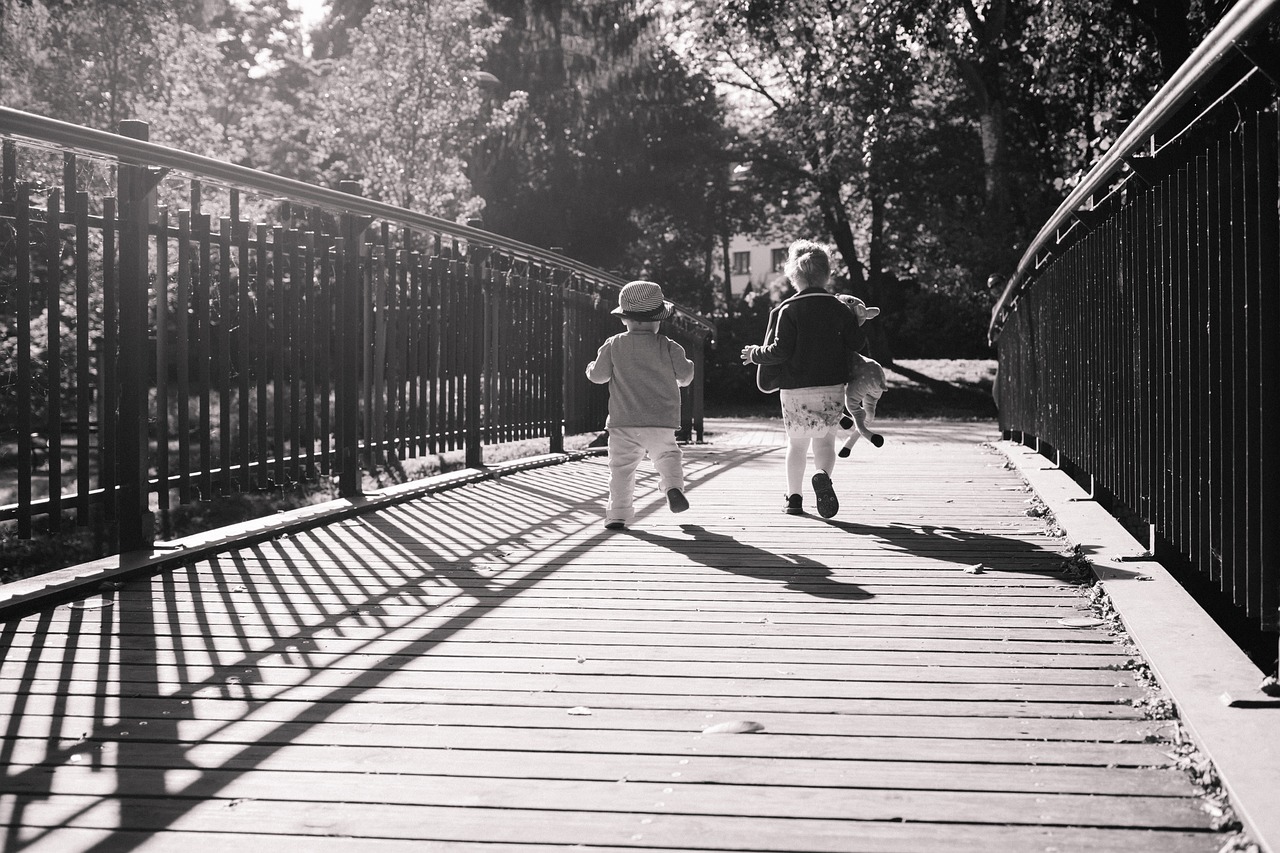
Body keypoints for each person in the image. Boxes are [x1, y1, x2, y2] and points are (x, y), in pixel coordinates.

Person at [740, 241, 864, 518]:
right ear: (827, 274)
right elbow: (858, 343)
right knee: (825, 443)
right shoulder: (839, 308)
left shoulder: (788, 309)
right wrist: (857, 319)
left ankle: (794, 499)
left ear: (793, 275)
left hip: (795, 390)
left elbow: (779, 350)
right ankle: (821, 475)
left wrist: (754, 354)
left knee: (796, 445)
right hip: (831, 387)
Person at [587, 280, 696, 530]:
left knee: (621, 469)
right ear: (657, 320)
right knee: (668, 456)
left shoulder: (613, 344)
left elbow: (598, 376)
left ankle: (617, 514)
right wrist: (687, 367)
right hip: (661, 421)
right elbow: (685, 376)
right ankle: (672, 487)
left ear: (625, 319)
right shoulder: (669, 346)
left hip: (623, 422)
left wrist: (589, 368)